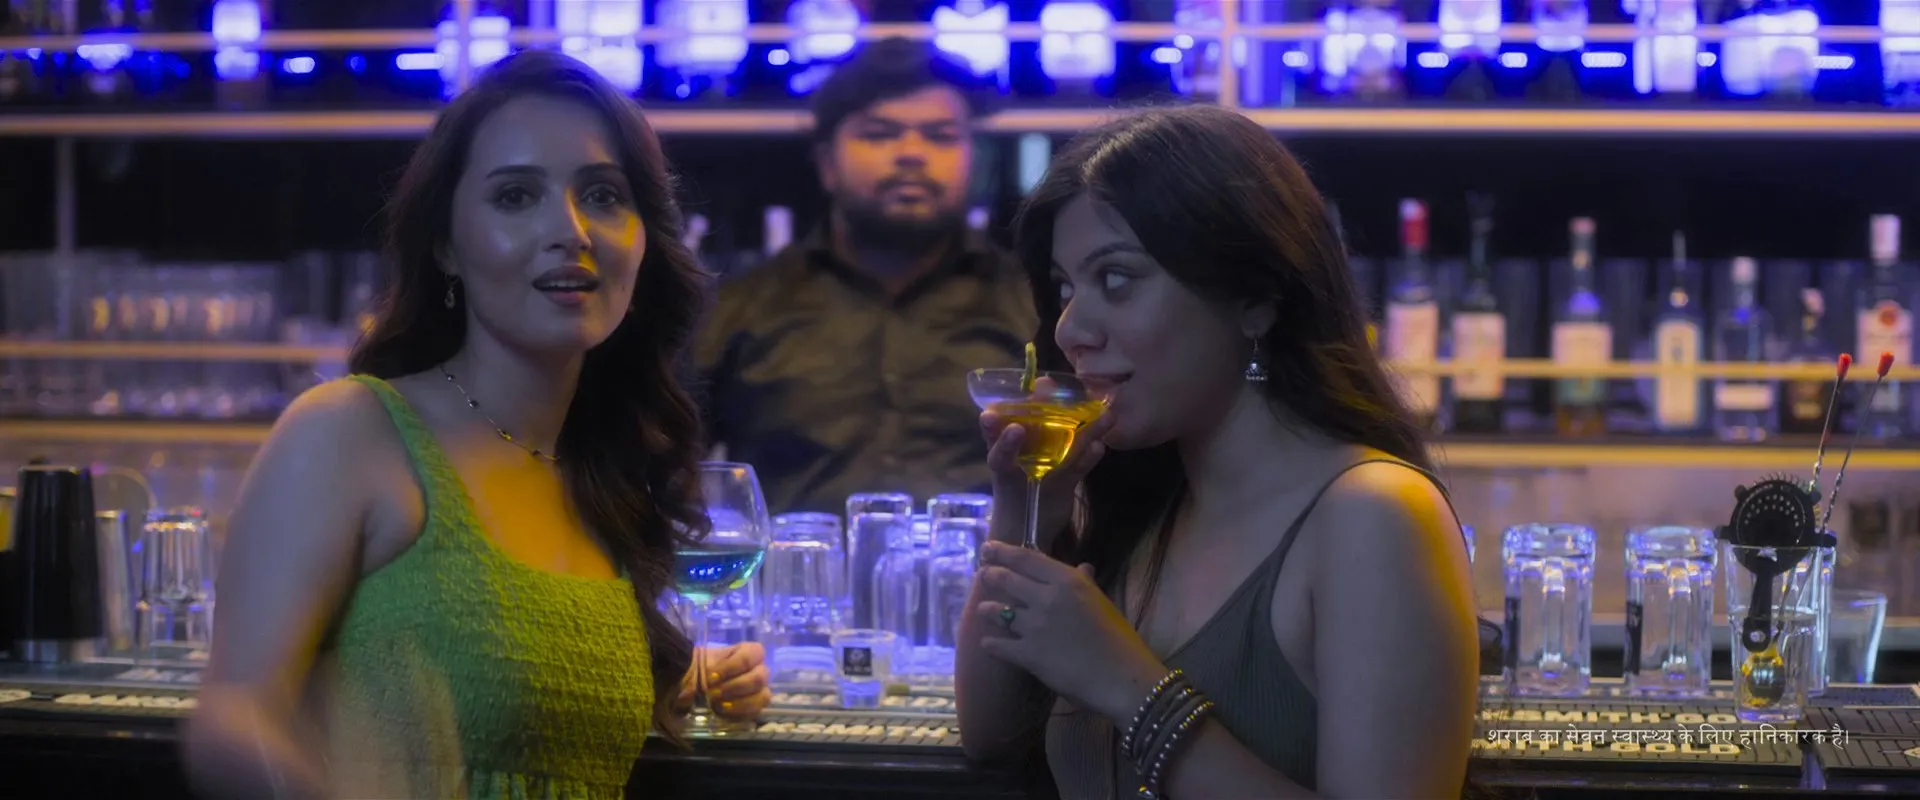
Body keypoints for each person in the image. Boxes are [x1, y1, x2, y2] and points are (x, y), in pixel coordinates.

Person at [182, 51, 770, 800]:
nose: (570, 230)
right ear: (446, 246)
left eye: (602, 194)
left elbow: (532, 677)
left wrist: (692, 675)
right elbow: (232, 719)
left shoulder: (601, 468)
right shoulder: (352, 432)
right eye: (516, 196)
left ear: (645, 238)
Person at [953, 105, 1486, 799]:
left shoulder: (1376, 515)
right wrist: (1025, 511)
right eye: (1064, 287)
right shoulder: (1146, 506)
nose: (1071, 328)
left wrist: (1128, 686)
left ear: (1255, 297)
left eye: (1116, 279)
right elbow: (989, 735)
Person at [694, 37, 1035, 515]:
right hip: (797, 564)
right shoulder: (738, 307)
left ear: (974, 159)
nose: (912, 153)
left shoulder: (1034, 306)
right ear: (826, 164)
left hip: (991, 564)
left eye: (940, 136)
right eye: (879, 133)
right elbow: (658, 470)